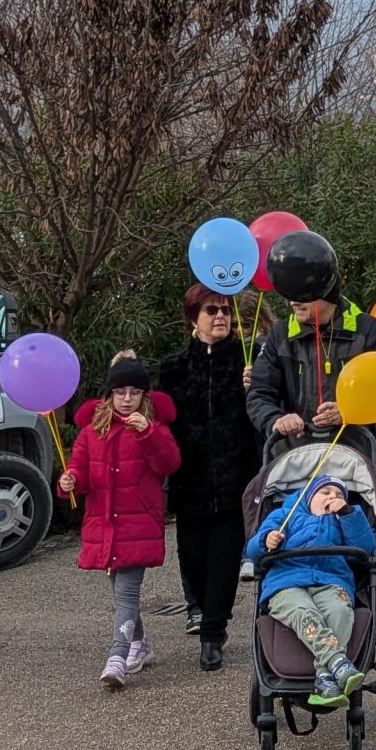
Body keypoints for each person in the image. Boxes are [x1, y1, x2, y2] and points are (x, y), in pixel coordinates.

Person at [157, 285, 263, 672]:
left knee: (224, 560)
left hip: (236, 479)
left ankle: (213, 633)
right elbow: (160, 426)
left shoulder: (249, 362)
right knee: (193, 561)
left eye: (225, 310)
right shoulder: (173, 369)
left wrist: (255, 387)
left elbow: (265, 410)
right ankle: (200, 609)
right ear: (194, 318)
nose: (221, 317)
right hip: (190, 482)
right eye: (211, 311)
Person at [60, 353, 182, 691]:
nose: (127, 399)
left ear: (145, 396)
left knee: (126, 594)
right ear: (109, 395)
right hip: (105, 526)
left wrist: (148, 435)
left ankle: (117, 657)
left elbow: (169, 463)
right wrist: (70, 480)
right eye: (120, 392)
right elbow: (80, 468)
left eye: (135, 392)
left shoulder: (155, 428)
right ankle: (139, 644)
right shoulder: (91, 432)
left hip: (137, 526)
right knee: (120, 594)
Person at [246, 281, 376, 530]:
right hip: (293, 466)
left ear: (326, 291)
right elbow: (259, 392)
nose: (293, 302)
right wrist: (275, 419)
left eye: (301, 295)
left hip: (354, 462)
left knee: (355, 542)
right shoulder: (280, 335)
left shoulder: (366, 329)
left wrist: (351, 410)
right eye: (290, 296)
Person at [248, 474, 376, 707]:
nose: (332, 497)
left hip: (331, 580)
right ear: (308, 497)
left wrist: (347, 513)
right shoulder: (284, 515)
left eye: (339, 495)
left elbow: (365, 548)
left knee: (340, 611)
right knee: (303, 611)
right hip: (287, 582)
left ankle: (325, 677)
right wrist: (266, 540)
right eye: (325, 492)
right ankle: (337, 661)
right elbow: (253, 549)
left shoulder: (344, 520)